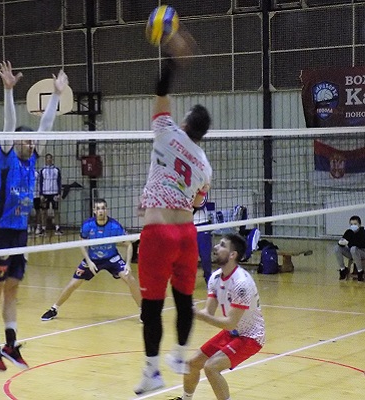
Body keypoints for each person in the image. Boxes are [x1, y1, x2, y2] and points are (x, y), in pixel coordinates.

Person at [134, 30, 213, 395]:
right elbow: (196, 203)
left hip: (160, 233)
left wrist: (172, 58)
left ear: (184, 123)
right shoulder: (205, 165)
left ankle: (152, 372)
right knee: (184, 299)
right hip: (187, 234)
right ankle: (180, 356)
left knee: (151, 307)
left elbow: (160, 90)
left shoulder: (167, 131)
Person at [0, 60, 68, 371]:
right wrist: (9, 91)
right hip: (1, 232)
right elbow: (9, 125)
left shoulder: (32, 159)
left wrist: (56, 94)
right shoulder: (6, 158)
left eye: (32, 141)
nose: (31, 143)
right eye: (26, 140)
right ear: (15, 143)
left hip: (20, 232)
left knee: (13, 288)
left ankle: (10, 342)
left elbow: (45, 127)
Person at [171, 234, 265, 400]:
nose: (215, 247)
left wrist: (197, 314)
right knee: (192, 364)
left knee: (211, 367)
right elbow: (208, 312)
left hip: (251, 336)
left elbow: (230, 323)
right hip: (233, 333)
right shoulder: (215, 278)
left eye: (222, 245)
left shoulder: (241, 284)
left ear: (232, 255)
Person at [40, 198, 141, 321]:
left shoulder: (114, 226)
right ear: (94, 211)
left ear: (107, 210)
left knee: (130, 279)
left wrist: (128, 264)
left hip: (112, 258)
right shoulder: (88, 225)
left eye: (103, 208)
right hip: (93, 259)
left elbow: (129, 244)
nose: (101, 211)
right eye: (98, 208)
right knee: (73, 284)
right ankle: (54, 309)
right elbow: (82, 243)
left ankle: (143, 310)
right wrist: (88, 261)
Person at [334, 215, 365, 281]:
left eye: (355, 224)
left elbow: (361, 244)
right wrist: (342, 242)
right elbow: (341, 242)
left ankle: (360, 272)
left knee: (353, 248)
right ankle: (343, 269)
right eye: (351, 224)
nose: (353, 226)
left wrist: (352, 241)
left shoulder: (363, 233)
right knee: (337, 248)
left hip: (362, 252)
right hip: (352, 252)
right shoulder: (349, 232)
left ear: (359, 225)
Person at [39, 153, 63, 235]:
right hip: (45, 193)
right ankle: (43, 228)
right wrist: (41, 194)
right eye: (47, 158)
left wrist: (59, 193)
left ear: (52, 159)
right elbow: (40, 182)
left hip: (54, 193)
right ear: (45, 160)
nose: (49, 160)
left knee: (56, 211)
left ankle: (57, 228)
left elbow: (59, 182)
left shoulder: (56, 170)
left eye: (50, 158)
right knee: (44, 211)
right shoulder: (42, 170)